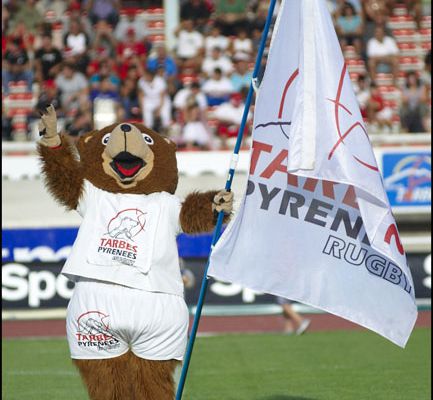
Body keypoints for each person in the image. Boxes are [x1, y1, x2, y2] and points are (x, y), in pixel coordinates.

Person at [138, 68, 172, 132]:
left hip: (161, 100)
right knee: (146, 110)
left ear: (151, 76)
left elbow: (162, 96)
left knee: (165, 114)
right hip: (149, 100)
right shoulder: (141, 81)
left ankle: (166, 129)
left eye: (146, 76)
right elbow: (141, 95)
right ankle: (148, 130)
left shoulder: (160, 81)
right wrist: (141, 107)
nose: (145, 77)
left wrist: (159, 109)